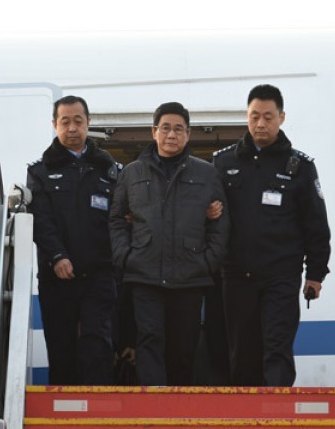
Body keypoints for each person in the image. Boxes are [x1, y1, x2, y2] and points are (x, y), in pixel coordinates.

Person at [213, 84, 331, 387]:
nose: (260, 124)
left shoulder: (300, 167)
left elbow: (316, 224)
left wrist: (315, 273)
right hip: (236, 275)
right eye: (254, 116)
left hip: (281, 275)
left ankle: (277, 410)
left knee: (277, 349)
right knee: (242, 352)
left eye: (268, 116)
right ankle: (245, 411)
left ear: (281, 117)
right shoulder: (223, 162)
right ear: (247, 117)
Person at [109, 101, 230, 386]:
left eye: (178, 129)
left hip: (190, 277)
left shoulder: (206, 173)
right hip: (144, 274)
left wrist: (207, 262)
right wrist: (126, 256)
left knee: (183, 346)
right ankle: (153, 402)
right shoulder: (132, 173)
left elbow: (221, 223)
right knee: (149, 341)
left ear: (188, 134)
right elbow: (116, 219)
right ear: (154, 132)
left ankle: (179, 403)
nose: (171, 135)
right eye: (165, 128)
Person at [27, 95, 120, 385]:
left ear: (88, 123)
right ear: (54, 125)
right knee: (61, 349)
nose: (72, 128)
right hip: (57, 277)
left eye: (78, 121)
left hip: (100, 275)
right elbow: (41, 221)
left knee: (97, 347)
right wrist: (57, 256)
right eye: (65, 122)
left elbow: (121, 218)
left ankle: (98, 408)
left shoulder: (109, 169)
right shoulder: (39, 172)